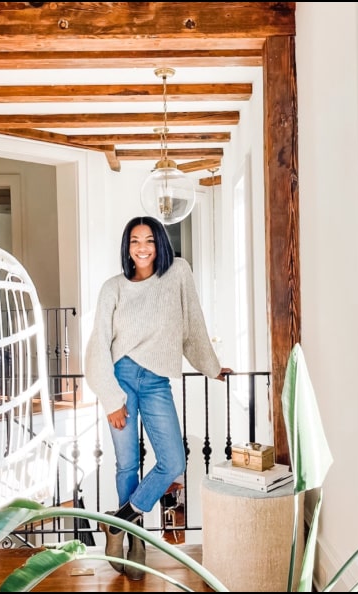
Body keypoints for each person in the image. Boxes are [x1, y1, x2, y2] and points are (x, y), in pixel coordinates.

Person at [85, 215, 232, 581]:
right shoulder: (112, 288)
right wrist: (110, 397)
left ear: (159, 244)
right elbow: (98, 345)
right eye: (134, 240)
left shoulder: (178, 273)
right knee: (126, 465)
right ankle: (136, 545)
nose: (142, 247)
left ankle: (118, 522)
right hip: (120, 378)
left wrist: (211, 367)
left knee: (172, 460)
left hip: (156, 381)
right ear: (127, 247)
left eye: (149, 240)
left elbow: (193, 324)